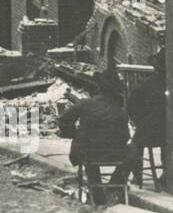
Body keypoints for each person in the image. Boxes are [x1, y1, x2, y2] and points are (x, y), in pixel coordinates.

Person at [57, 73, 134, 204]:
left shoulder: (85, 104)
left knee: (88, 152)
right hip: (114, 155)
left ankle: (97, 194)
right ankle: (114, 185)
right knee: (133, 151)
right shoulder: (121, 112)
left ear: (99, 89)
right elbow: (125, 137)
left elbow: (63, 120)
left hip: (88, 153)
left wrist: (74, 134)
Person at [126, 51, 167, 187]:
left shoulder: (147, 83)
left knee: (134, 146)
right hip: (171, 130)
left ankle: (138, 176)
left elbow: (131, 105)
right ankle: (167, 173)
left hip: (150, 130)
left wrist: (140, 121)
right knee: (167, 144)